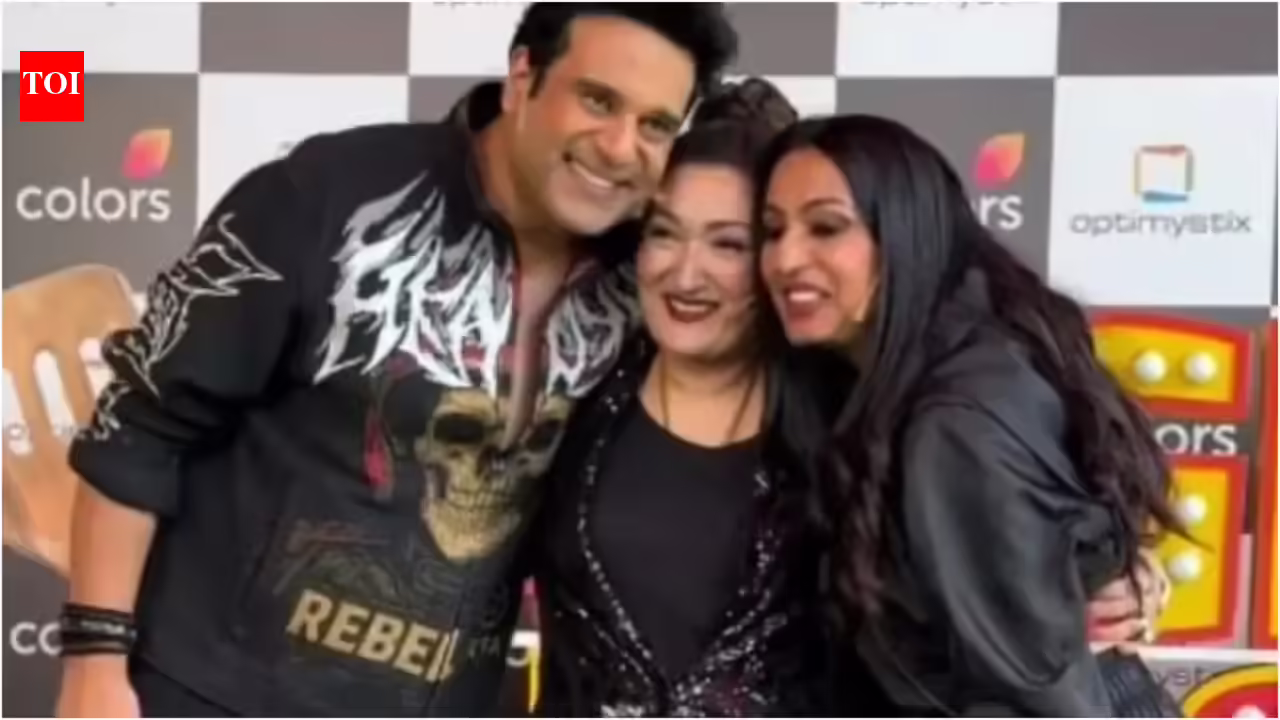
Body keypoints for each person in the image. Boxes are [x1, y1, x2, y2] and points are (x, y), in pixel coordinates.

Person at [53, 5, 738, 717]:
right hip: (211, 693)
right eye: (597, 100)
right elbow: (139, 427)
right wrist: (93, 667)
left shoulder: (648, 275)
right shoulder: (334, 198)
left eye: (656, 125)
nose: (621, 147)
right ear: (522, 76)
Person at [528, 83, 1172, 717]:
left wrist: (1100, 575)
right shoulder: (575, 380)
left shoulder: (870, 409)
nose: (687, 271)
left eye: (730, 243)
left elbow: (1010, 607)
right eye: (664, 233)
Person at [755, 114, 1184, 717]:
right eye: (771, 231)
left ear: (904, 233)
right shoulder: (887, 373)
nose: (785, 258)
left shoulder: (955, 422)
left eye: (827, 227)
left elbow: (1034, 702)